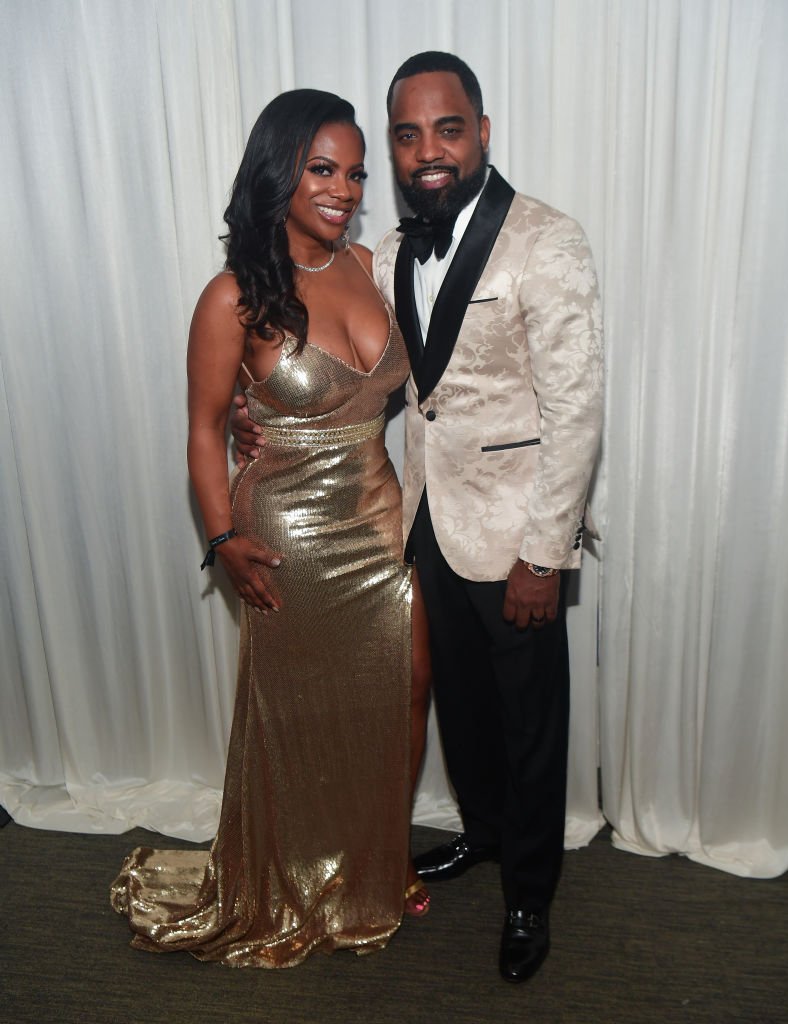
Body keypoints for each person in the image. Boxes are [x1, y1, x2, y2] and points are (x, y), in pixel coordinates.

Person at [236, 52, 603, 983]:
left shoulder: (547, 241)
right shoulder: (392, 252)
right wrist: (260, 408)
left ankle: (529, 889)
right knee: (464, 712)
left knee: (528, 721)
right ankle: (483, 834)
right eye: (407, 135)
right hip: (420, 526)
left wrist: (544, 554)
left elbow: (576, 415)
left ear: (482, 132)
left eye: (447, 128)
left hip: (519, 536)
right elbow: (365, 372)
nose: (427, 150)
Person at [111, 88, 432, 970]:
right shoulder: (232, 297)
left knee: (404, 685)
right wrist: (221, 540)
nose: (344, 188)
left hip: (377, 515)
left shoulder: (370, 262)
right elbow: (203, 428)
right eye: (322, 168)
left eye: (356, 172)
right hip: (284, 530)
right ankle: (291, 876)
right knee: (296, 712)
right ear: (278, 170)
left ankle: (377, 855)